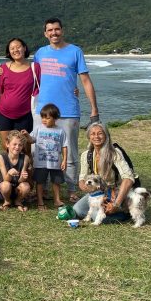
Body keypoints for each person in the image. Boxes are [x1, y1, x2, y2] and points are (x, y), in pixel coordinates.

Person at [32, 18, 99, 202]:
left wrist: (94, 108)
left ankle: (71, 189)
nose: (54, 33)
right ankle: (43, 189)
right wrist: (2, 71)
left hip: (68, 110)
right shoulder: (40, 53)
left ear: (62, 30)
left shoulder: (75, 51)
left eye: (57, 29)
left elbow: (85, 80)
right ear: (45, 33)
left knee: (68, 151)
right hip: (43, 111)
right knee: (41, 151)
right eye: (50, 30)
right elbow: (29, 76)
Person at [73, 123, 136, 224]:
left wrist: (116, 204)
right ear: (89, 137)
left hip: (114, 192)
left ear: (106, 136)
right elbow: (82, 177)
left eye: (100, 133)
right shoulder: (86, 155)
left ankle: (125, 211)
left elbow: (128, 178)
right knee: (78, 210)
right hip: (97, 193)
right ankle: (105, 212)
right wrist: (83, 185)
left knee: (97, 216)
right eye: (93, 134)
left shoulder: (115, 153)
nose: (96, 137)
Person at [0, 37, 40, 151]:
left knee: (24, 149)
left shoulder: (35, 67)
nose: (15, 50)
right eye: (12, 48)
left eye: (18, 47)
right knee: (7, 147)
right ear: (9, 52)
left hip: (25, 115)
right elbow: (1, 92)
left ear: (24, 48)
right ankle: (6, 169)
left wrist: (72, 89)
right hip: (4, 114)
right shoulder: (3, 68)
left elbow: (42, 88)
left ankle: (25, 169)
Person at [24, 103, 67, 211]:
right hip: (40, 162)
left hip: (55, 163)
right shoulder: (38, 128)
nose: (44, 120)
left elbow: (64, 146)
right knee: (40, 182)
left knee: (56, 182)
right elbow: (31, 140)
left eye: (47, 118)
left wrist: (65, 160)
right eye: (43, 117)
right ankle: (40, 201)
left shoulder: (61, 131)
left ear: (55, 118)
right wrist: (26, 135)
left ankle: (57, 200)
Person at [0, 130, 32, 212]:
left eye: (20, 145)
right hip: (4, 189)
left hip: (17, 189)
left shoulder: (25, 158)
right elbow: (5, 180)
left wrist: (23, 177)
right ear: (7, 144)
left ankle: (18, 201)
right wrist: (9, 174)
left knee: (26, 186)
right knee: (6, 185)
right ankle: (7, 201)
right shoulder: (1, 157)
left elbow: (20, 181)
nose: (17, 147)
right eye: (14, 144)